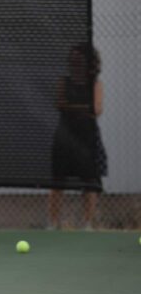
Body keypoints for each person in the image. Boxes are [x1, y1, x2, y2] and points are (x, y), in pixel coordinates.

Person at [48, 43, 107, 230]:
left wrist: (77, 108)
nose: (76, 63)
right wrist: (82, 108)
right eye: (74, 60)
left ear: (90, 63)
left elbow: (96, 109)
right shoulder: (63, 82)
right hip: (64, 136)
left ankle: (88, 224)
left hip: (87, 137)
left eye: (81, 60)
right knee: (57, 181)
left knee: (90, 182)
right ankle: (53, 223)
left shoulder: (95, 84)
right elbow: (60, 103)